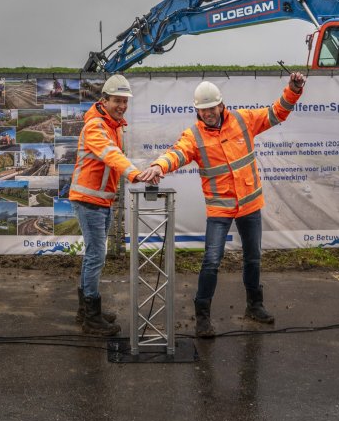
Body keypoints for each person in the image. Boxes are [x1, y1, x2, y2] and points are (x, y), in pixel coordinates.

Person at [137, 73, 306, 337]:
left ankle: (255, 305)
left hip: (249, 205)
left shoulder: (243, 120)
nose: (208, 114)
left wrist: (293, 90)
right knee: (211, 261)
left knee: (253, 258)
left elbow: (276, 114)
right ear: (197, 111)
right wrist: (160, 165)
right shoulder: (193, 136)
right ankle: (203, 317)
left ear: (221, 105)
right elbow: (177, 153)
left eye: (212, 108)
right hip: (220, 209)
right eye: (202, 110)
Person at [69, 74, 143, 336]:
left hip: (101, 200)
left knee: (93, 256)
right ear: (104, 100)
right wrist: (134, 174)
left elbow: (114, 157)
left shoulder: (114, 124)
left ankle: (87, 311)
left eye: (125, 101)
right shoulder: (96, 126)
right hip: (89, 201)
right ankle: (91, 317)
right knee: (96, 256)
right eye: (117, 101)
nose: (122, 105)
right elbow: (111, 155)